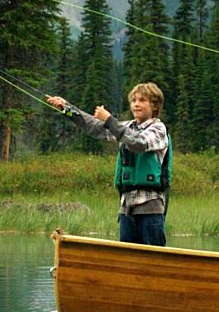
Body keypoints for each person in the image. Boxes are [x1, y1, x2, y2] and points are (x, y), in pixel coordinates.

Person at [46, 83, 170, 246]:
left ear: (154, 105)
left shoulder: (158, 129)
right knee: (127, 262)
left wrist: (110, 120)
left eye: (142, 100)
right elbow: (95, 128)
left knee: (153, 262)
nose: (136, 104)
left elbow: (138, 143)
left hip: (151, 209)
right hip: (126, 209)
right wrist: (67, 108)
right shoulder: (126, 127)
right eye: (133, 100)